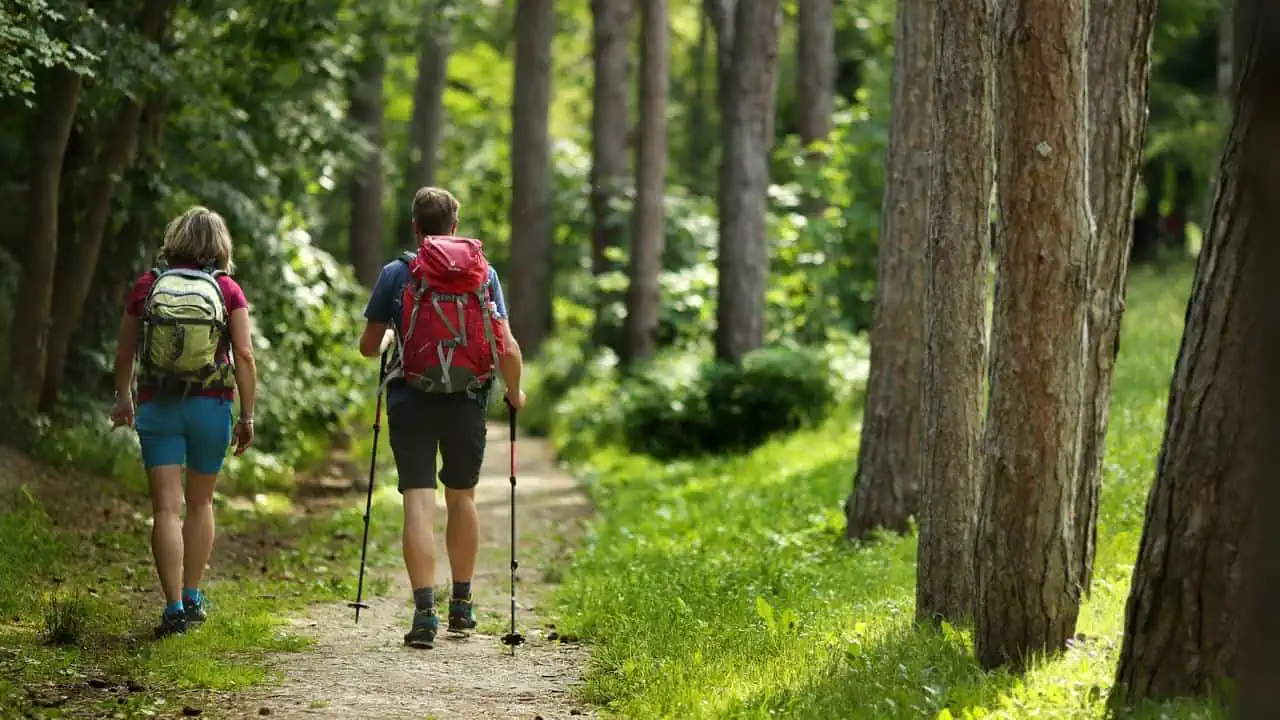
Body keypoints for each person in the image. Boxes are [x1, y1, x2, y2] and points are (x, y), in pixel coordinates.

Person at [359, 187, 526, 649]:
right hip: (466, 399)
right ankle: (463, 606)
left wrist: (394, 335)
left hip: (410, 397)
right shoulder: (483, 273)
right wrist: (515, 392)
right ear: (455, 226)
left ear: (416, 227)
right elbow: (507, 347)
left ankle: (424, 613)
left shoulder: (396, 273)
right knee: (462, 499)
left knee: (418, 500)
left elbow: (368, 347)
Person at [109, 205, 257, 638]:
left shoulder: (148, 286)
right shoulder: (227, 289)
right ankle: (193, 596)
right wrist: (246, 416)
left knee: (165, 509)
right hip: (211, 405)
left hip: (158, 406)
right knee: (202, 503)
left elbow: (124, 354)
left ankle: (172, 608)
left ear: (174, 242)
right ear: (220, 247)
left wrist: (124, 399)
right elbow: (244, 356)